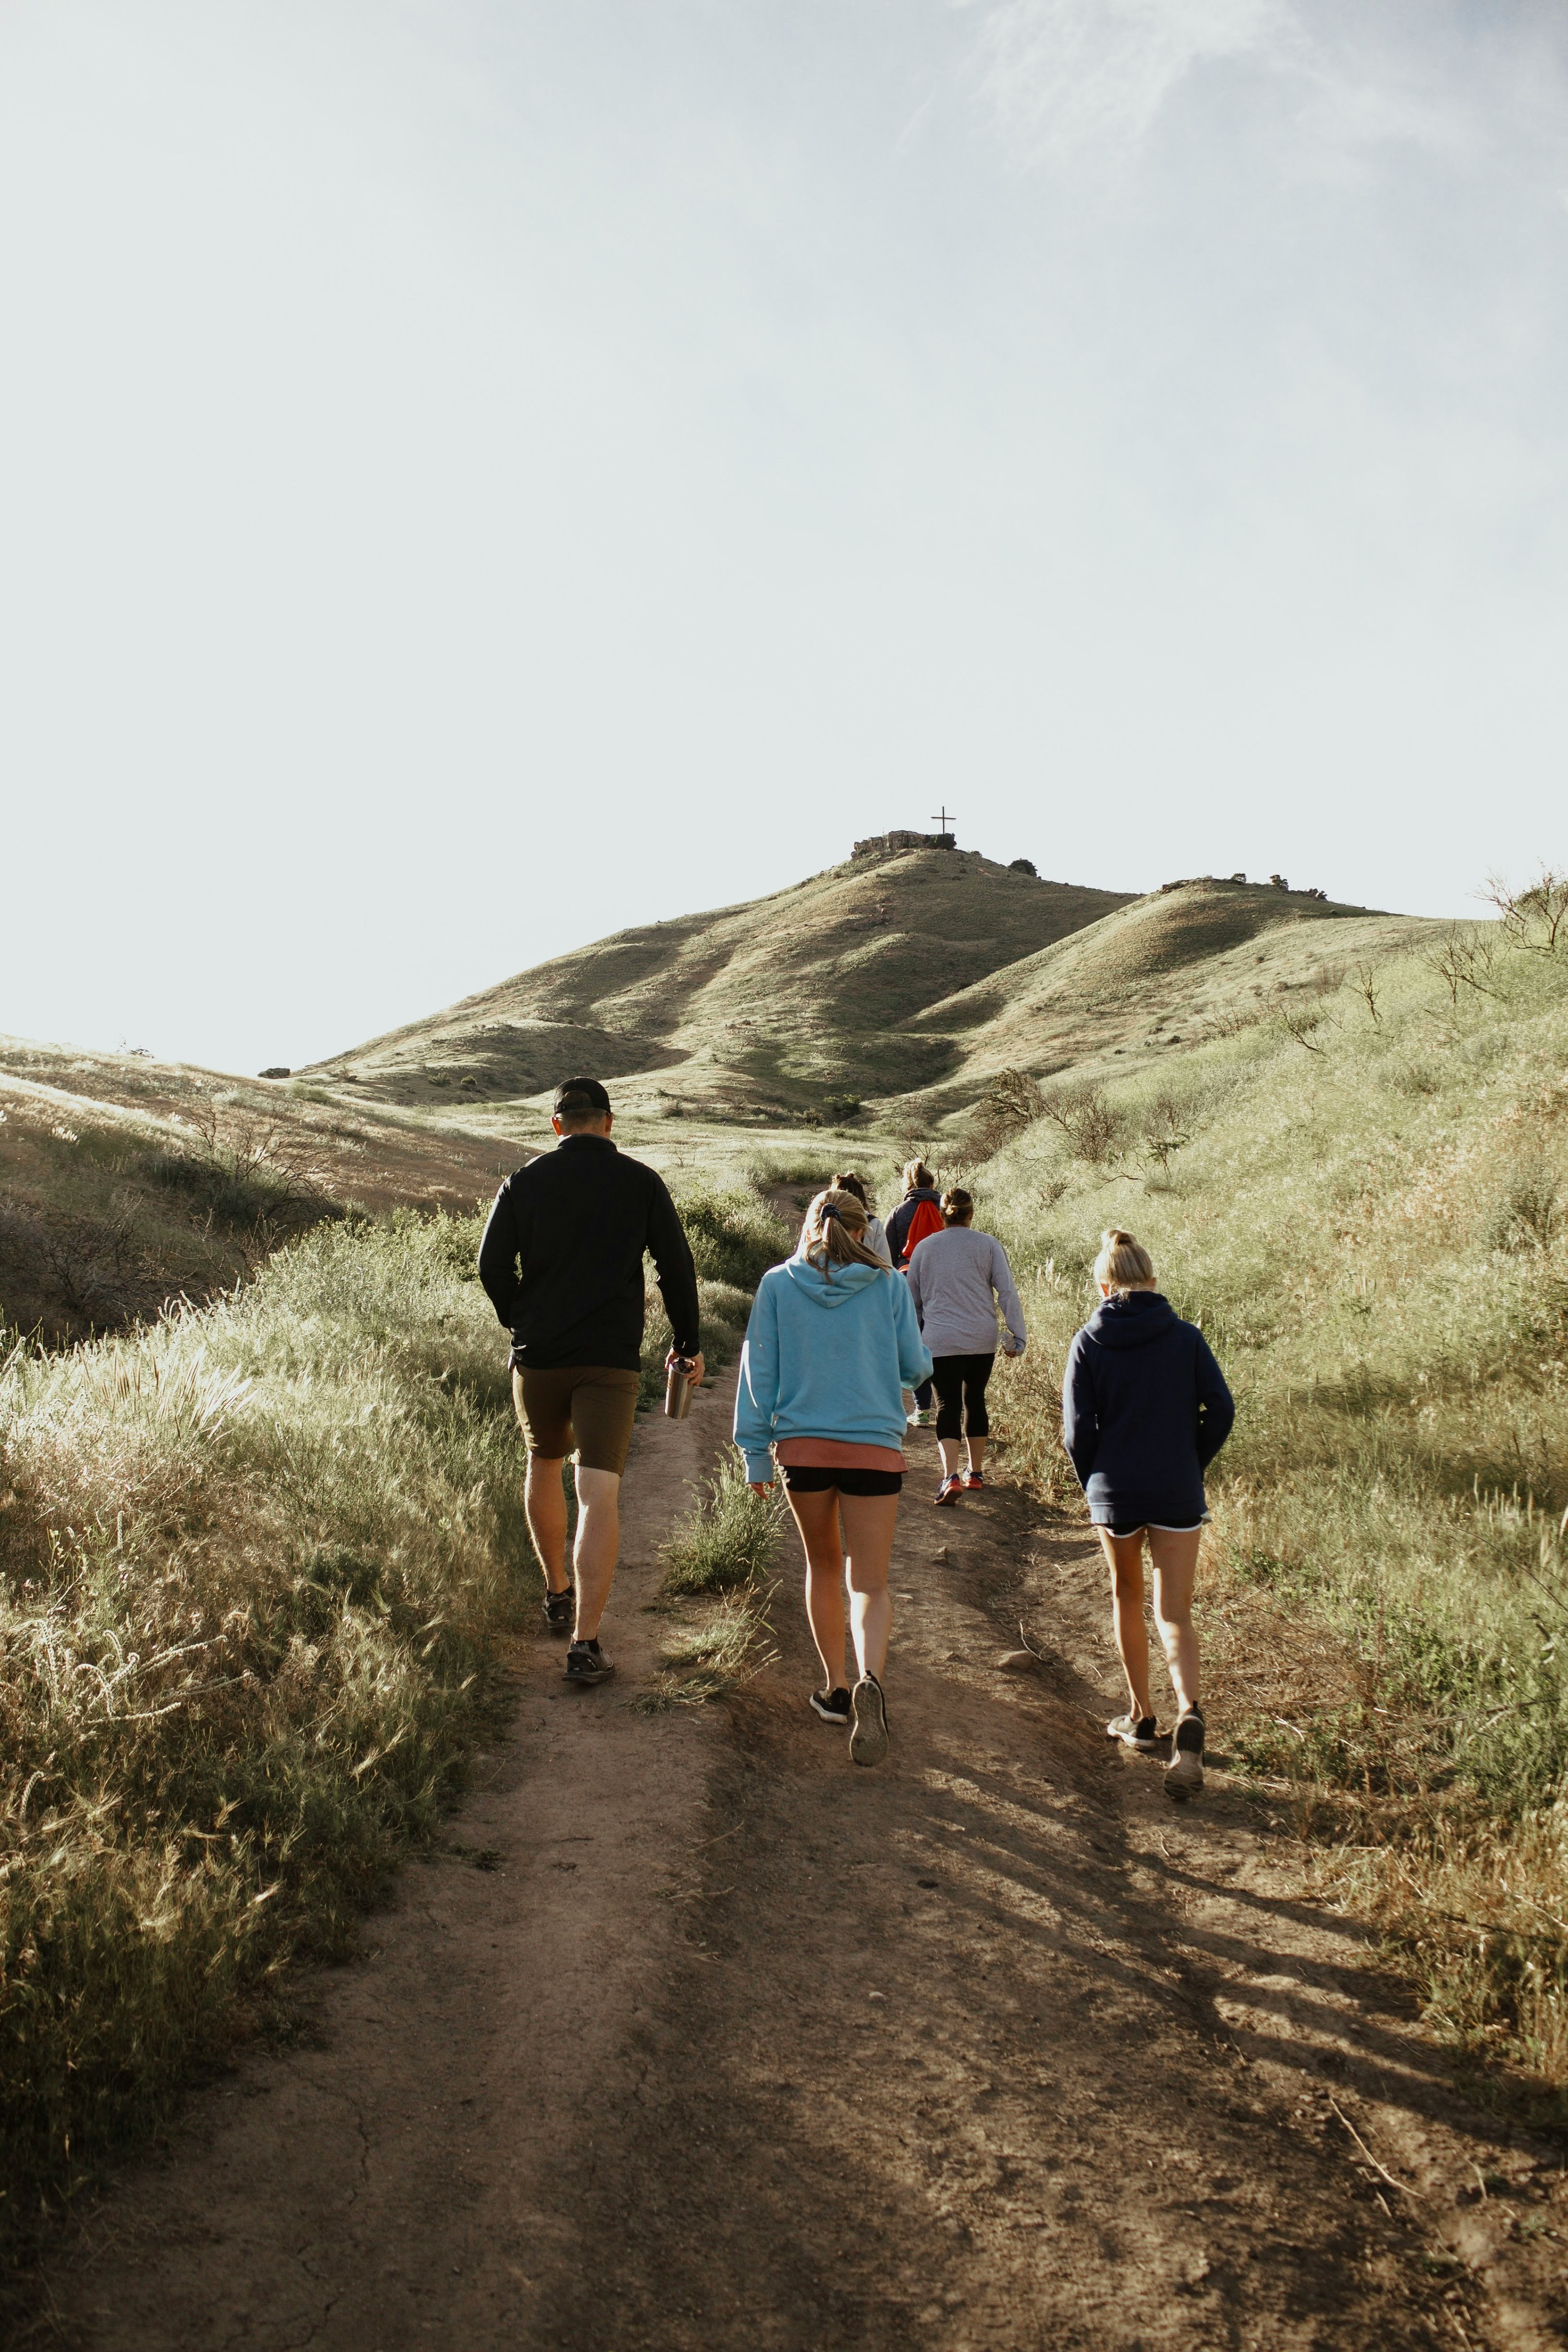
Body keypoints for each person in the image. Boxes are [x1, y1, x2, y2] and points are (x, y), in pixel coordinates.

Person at [478, 1076, 704, 1685]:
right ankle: (585, 1643)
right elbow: (675, 1268)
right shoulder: (641, 1181)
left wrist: (520, 1320)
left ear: (557, 1125)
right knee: (598, 1493)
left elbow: (490, 1265)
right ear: (608, 1121)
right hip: (609, 1358)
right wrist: (688, 1343)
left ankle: (556, 1590)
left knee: (543, 1463)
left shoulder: (523, 1182)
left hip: (539, 1356)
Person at [735, 1188, 931, 1766]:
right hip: (874, 1447)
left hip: (803, 1451)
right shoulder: (889, 1285)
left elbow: (758, 1372)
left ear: (810, 1227)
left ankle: (836, 1688)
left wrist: (753, 1452)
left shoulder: (776, 1283)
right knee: (869, 1582)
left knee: (822, 1565)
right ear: (865, 1229)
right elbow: (916, 1366)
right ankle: (873, 1677)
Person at [1061, 1228, 1234, 1794]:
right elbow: (1222, 1408)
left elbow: (1076, 1431)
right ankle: (1189, 1710)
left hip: (1116, 1490)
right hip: (1176, 1488)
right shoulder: (1185, 1337)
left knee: (1126, 1595)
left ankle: (1140, 1717)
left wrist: (1096, 1480)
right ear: (1152, 1282)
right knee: (1175, 1612)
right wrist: (1192, 1459)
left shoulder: (1088, 1340)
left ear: (1104, 1285)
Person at [904, 1188, 1026, 1507]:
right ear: (971, 1214)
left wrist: (914, 1336)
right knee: (975, 1399)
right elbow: (1007, 1292)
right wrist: (1017, 1335)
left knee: (947, 1405)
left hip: (940, 1338)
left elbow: (912, 1300)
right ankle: (975, 1472)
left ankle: (950, 1476)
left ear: (941, 1214)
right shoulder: (987, 1245)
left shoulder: (924, 1248)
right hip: (980, 1337)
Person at [884, 1160, 944, 1424]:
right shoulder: (947, 1207)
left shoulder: (898, 1212)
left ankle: (922, 1409)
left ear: (908, 1185)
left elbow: (887, 1253)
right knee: (943, 1338)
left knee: (915, 1341)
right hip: (945, 1281)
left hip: (908, 1281)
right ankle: (949, 1403)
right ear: (932, 1185)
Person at [831, 1170, 891, 1266]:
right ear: (861, 1198)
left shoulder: (820, 1219)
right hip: (865, 1279)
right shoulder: (873, 1223)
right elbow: (886, 1265)